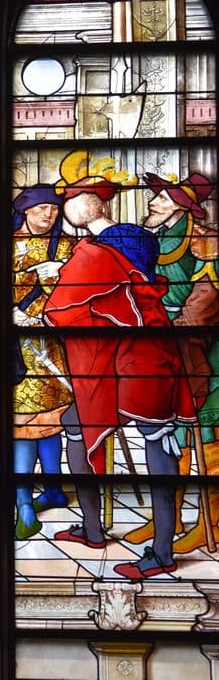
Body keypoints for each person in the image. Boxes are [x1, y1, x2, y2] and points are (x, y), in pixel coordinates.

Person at [43, 152, 197, 580]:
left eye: (69, 200)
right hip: (140, 352)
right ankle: (93, 529)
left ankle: (162, 552)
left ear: (90, 204)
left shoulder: (93, 253)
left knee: (157, 442)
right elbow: (119, 290)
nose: (64, 208)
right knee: (79, 423)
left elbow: (62, 307)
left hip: (137, 359)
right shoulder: (135, 239)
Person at [136, 171, 217, 552]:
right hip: (163, 347)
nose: (154, 202)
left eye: (163, 198)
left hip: (199, 354)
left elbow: (205, 299)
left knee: (207, 436)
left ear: (182, 209)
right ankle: (168, 517)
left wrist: (174, 330)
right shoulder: (160, 239)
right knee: (174, 437)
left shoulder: (204, 242)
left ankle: (209, 522)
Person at [9, 185, 75, 539]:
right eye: (41, 209)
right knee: (21, 422)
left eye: (53, 209)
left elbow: (74, 293)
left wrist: (53, 282)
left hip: (50, 347)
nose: (48, 215)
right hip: (14, 347)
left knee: (49, 420)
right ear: (25, 211)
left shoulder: (67, 246)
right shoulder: (4, 244)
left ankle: (44, 493)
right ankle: (28, 499)